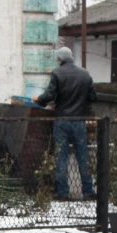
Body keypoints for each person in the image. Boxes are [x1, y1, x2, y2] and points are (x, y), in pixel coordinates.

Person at [34, 46, 97, 200]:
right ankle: (88, 191)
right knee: (83, 156)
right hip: (79, 121)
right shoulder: (85, 74)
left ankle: (63, 192)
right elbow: (93, 97)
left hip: (61, 121)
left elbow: (49, 95)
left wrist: (38, 100)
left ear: (60, 59)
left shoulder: (57, 73)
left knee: (61, 156)